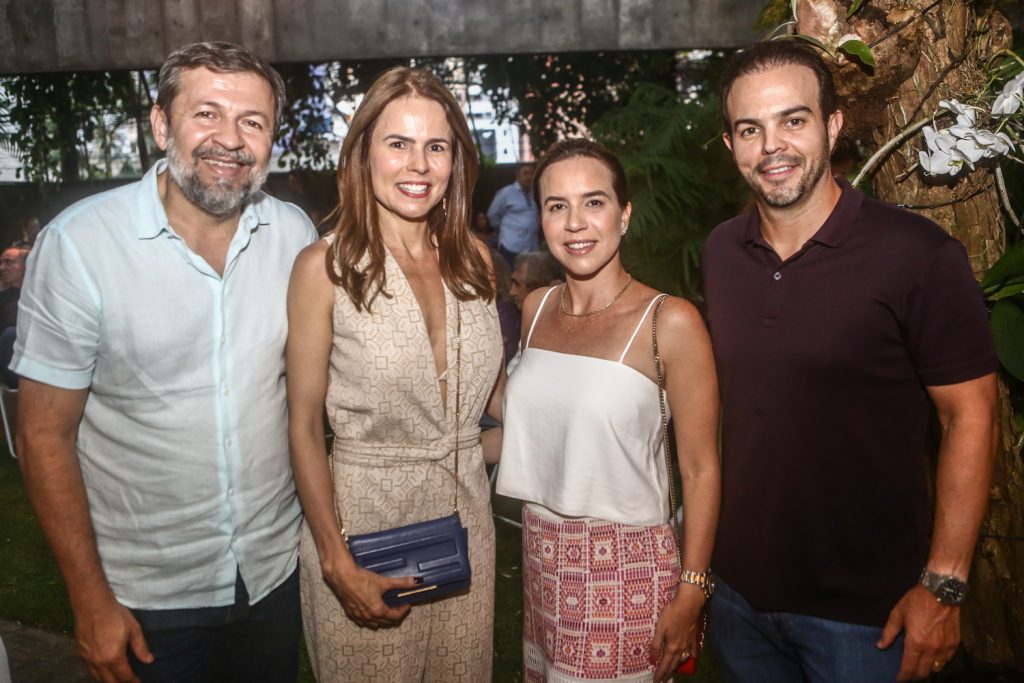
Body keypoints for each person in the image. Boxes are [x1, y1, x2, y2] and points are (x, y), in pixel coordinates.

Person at [13, 41, 317, 683]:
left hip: (274, 574)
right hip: (146, 595)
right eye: (207, 114)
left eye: (253, 122)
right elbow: (42, 435)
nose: (230, 140)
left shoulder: (294, 236)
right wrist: (88, 598)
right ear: (160, 124)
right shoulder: (81, 245)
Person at [703, 40, 998, 683]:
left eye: (793, 120)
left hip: (867, 617)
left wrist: (944, 585)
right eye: (750, 129)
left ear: (833, 126)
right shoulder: (721, 252)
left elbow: (971, 417)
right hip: (739, 599)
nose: (772, 146)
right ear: (731, 145)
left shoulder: (918, 255)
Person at [287, 66, 505, 682]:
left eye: (436, 146)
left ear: (455, 161)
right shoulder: (324, 268)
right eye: (398, 143)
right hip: (364, 536)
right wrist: (336, 560)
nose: (419, 165)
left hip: (467, 531)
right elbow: (302, 427)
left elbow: (497, 401)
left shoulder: (475, 261)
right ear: (364, 153)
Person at [497, 139, 721, 683]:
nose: (575, 222)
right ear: (541, 219)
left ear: (624, 214)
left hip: (625, 567)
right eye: (557, 206)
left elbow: (701, 467)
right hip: (541, 554)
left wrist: (693, 588)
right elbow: (534, 425)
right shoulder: (536, 308)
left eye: (594, 202)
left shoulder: (670, 321)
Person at [487, 162, 539, 265]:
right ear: (518, 176)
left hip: (531, 246)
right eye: (525, 173)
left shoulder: (536, 193)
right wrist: (504, 228)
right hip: (510, 245)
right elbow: (492, 214)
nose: (529, 177)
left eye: (532, 173)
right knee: (509, 274)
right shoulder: (506, 193)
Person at [0, 245, 29, 387]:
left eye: (9, 262)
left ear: (26, 266)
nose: (2, 268)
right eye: (1, 263)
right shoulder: (3, 296)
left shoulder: (38, 296)